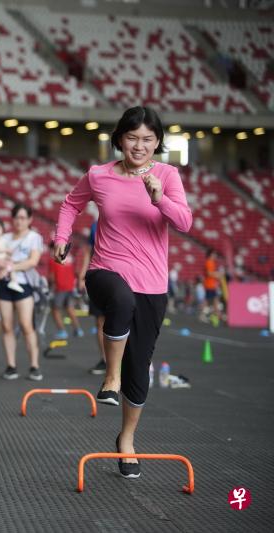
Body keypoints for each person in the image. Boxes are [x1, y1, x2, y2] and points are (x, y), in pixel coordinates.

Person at [54, 106, 192, 479]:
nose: (139, 145)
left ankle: (126, 438)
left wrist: (159, 198)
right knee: (120, 301)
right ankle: (109, 376)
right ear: (119, 139)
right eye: (132, 137)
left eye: (148, 139)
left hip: (152, 282)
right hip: (106, 270)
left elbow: (184, 221)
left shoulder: (168, 175)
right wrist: (61, 238)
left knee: (140, 370)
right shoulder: (99, 175)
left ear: (158, 143)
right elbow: (70, 204)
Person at [0, 204, 44, 381]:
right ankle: (11, 366)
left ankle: (34, 365)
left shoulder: (34, 237)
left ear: (29, 220)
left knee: (27, 325)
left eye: (23, 218)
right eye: (16, 218)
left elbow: (33, 261)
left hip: (23, 284)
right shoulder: (4, 237)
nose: (19, 221)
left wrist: (11, 266)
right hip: (2, 284)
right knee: (7, 326)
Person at [80, 220, 107, 375]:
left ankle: (121, 361)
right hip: (98, 276)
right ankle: (104, 360)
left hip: (121, 277)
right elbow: (90, 251)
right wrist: (83, 275)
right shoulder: (95, 226)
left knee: (122, 321)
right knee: (99, 321)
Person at [48, 241, 84, 339]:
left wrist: (49, 287)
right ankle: (78, 329)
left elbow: (51, 277)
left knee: (55, 310)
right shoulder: (70, 258)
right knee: (70, 309)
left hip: (60, 288)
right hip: (71, 286)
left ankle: (62, 331)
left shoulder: (53, 260)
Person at [0, 218, 24, 293]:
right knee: (5, 265)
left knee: (11, 264)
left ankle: (13, 281)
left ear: (2, 229)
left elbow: (7, 249)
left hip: (2, 258)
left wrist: (8, 254)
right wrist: (6, 251)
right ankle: (2, 275)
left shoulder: (3, 239)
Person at [201, 249, 222, 321]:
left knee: (214, 300)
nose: (215, 255)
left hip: (212, 285)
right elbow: (209, 273)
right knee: (208, 300)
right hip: (209, 285)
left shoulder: (212, 262)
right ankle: (204, 315)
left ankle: (217, 315)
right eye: (214, 254)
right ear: (210, 254)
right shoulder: (209, 262)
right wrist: (217, 275)